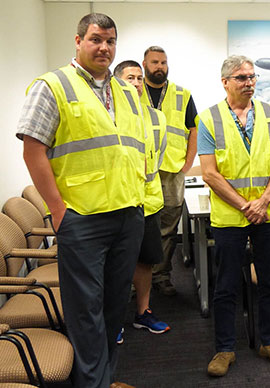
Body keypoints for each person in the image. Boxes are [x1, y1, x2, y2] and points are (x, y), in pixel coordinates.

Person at [16, 13, 144, 388]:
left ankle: (102, 380)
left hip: (127, 214)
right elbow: (33, 151)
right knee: (85, 312)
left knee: (114, 309)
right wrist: (58, 210)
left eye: (110, 41)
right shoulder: (53, 85)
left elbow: (129, 149)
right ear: (78, 41)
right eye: (95, 39)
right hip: (83, 219)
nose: (103, 47)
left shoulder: (125, 90)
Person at [197, 55, 270, 377]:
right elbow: (209, 174)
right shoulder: (208, 118)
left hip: (267, 214)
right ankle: (225, 349)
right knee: (225, 286)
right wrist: (244, 205)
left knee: (269, 282)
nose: (249, 82)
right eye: (241, 78)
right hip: (230, 218)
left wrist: (263, 201)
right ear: (225, 82)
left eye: (252, 77)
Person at [113, 60, 170, 342]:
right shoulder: (107, 115)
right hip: (118, 202)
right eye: (129, 78)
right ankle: (113, 320)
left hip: (148, 201)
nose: (136, 83)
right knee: (116, 265)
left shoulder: (156, 117)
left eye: (138, 78)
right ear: (115, 83)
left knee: (145, 262)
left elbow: (156, 157)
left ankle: (143, 312)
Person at [141, 46, 198, 296]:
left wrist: (187, 163)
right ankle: (136, 279)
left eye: (163, 62)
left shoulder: (182, 94)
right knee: (139, 227)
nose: (160, 67)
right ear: (145, 64)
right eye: (155, 62)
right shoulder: (130, 91)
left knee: (168, 227)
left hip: (172, 171)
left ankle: (161, 275)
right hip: (140, 172)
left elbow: (193, 129)